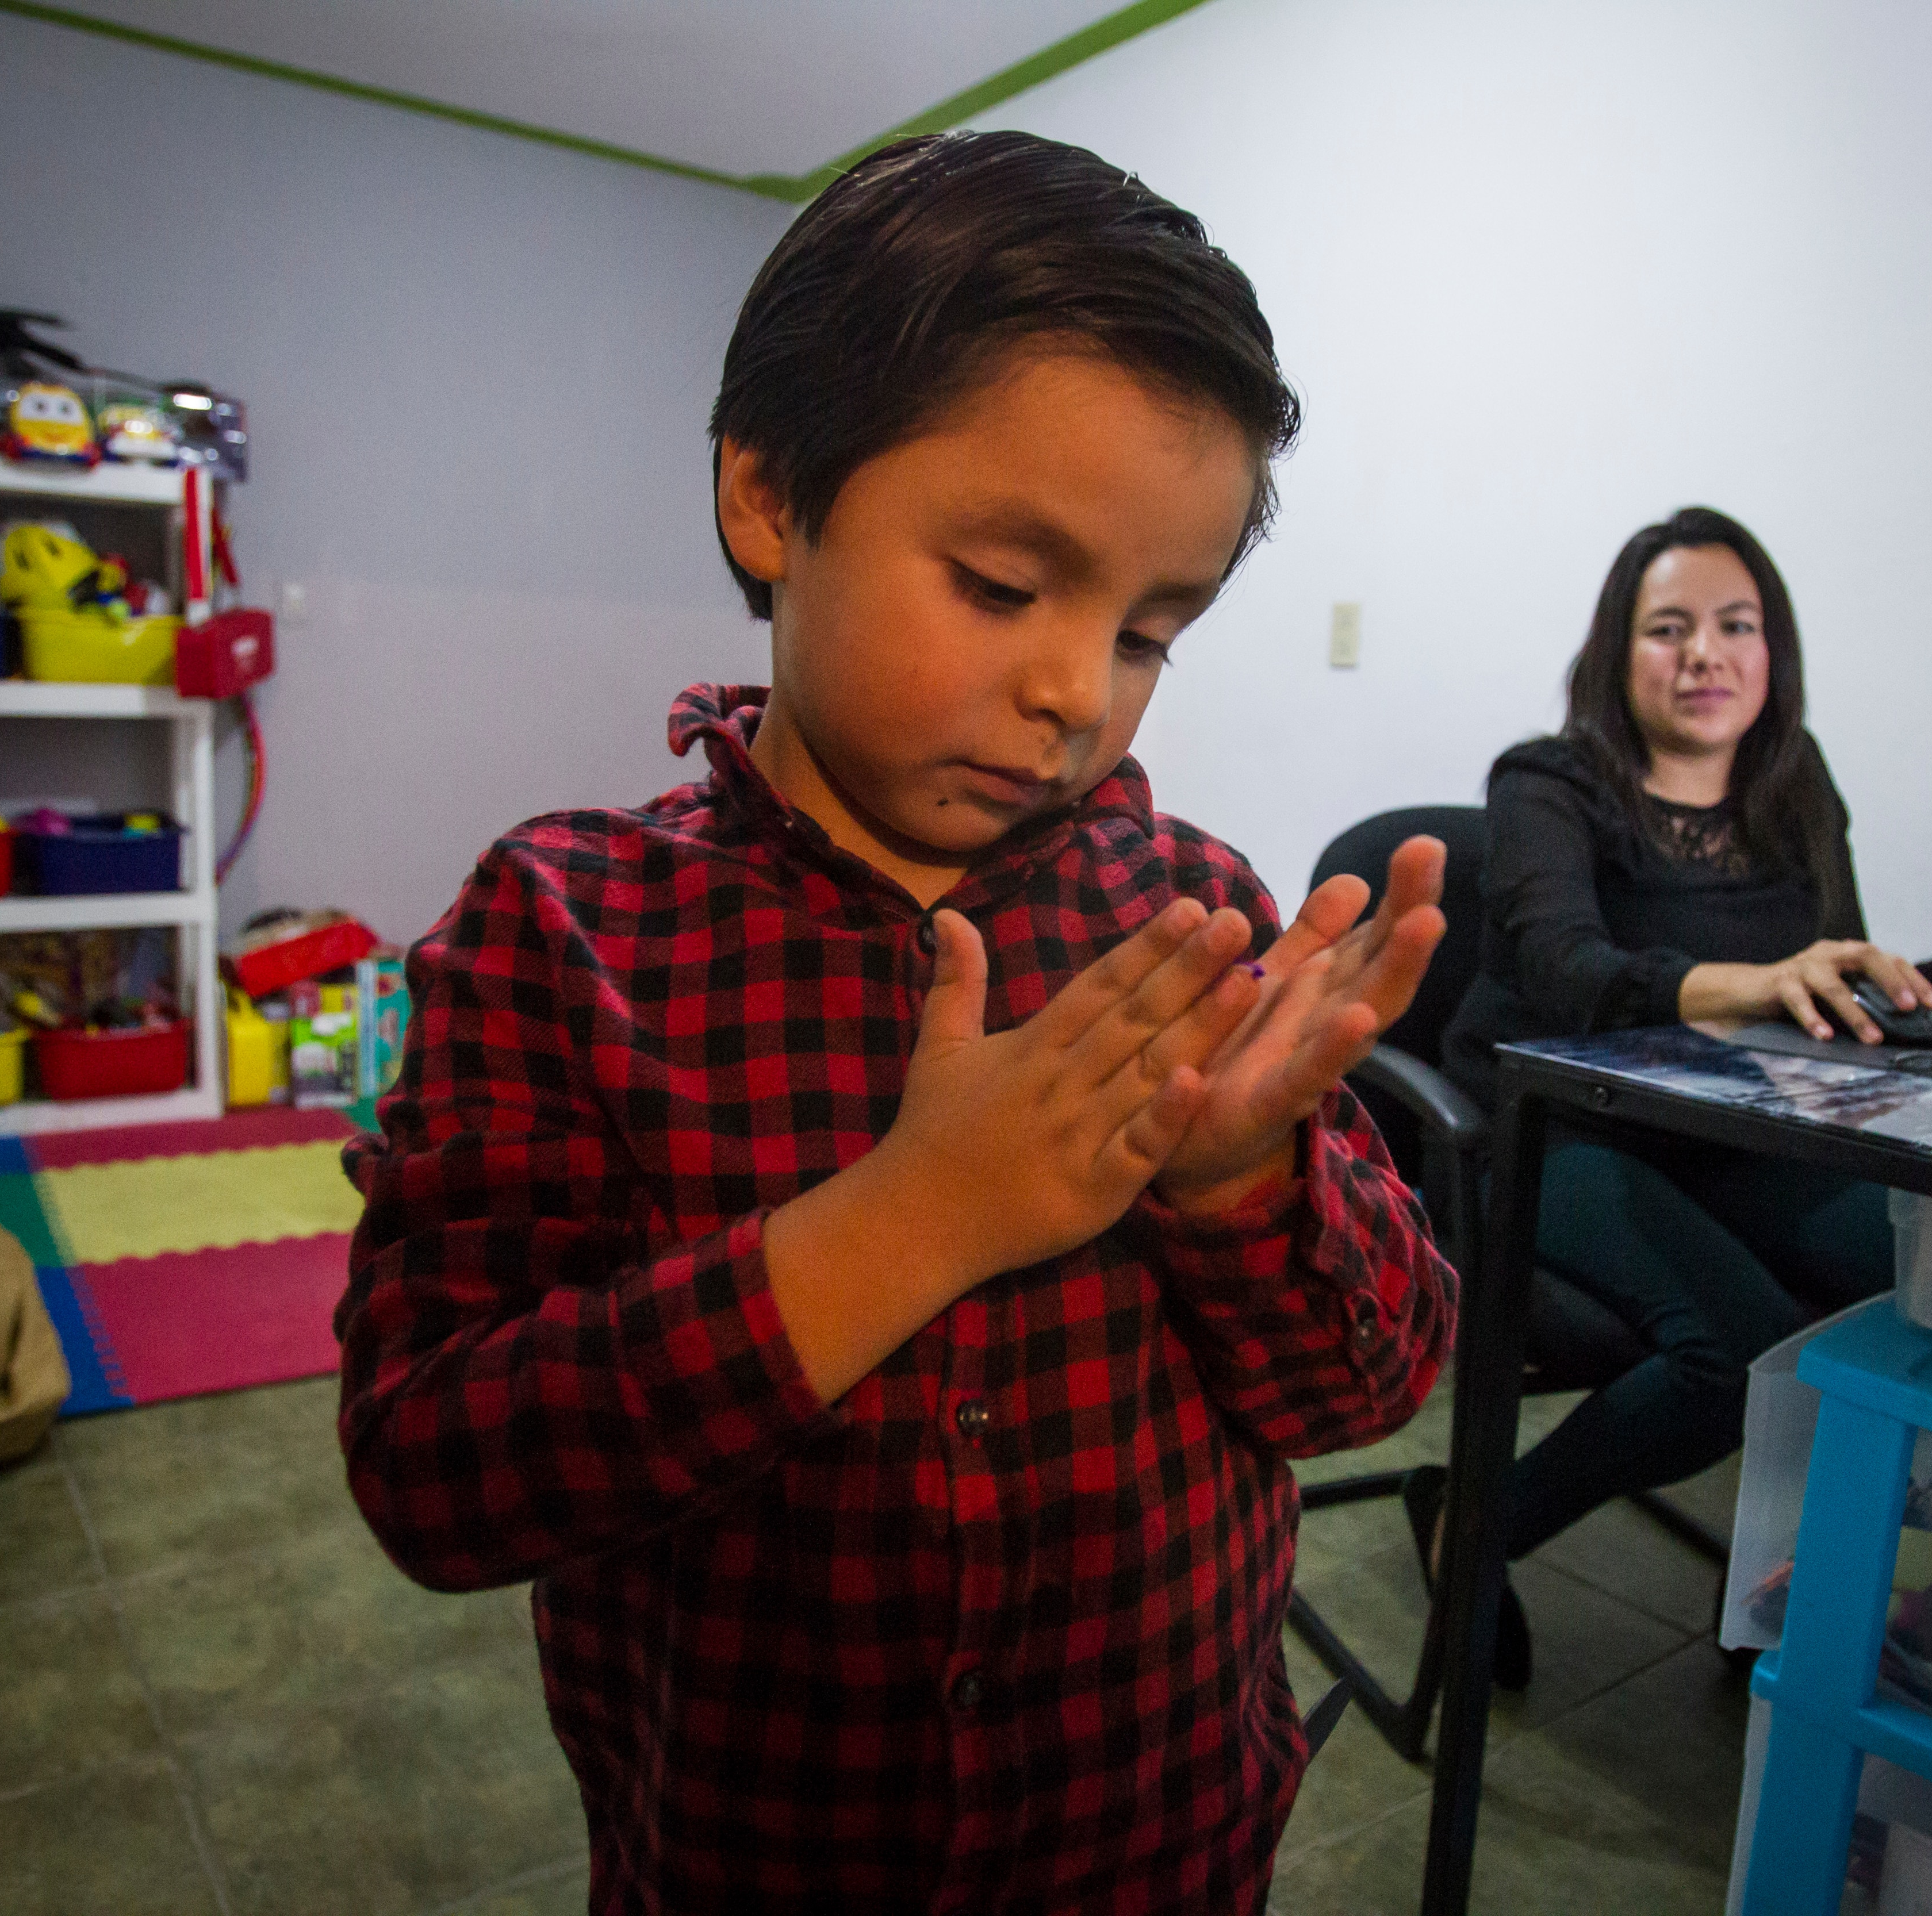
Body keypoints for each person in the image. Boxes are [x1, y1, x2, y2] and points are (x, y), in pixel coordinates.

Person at [335, 133, 1458, 1914]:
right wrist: (912, 1218)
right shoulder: (562, 930)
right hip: (754, 1858)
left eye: (1152, 629)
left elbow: (1369, 1384)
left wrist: (1242, 1177)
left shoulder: (1187, 919)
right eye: (1007, 586)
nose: (1074, 691)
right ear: (772, 498)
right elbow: (438, 1471)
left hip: (1163, 1851)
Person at [1436, 505, 1932, 1685]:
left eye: (1735, 626)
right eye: (1667, 628)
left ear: (1771, 649)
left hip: (1725, 1120)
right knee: (1732, 1351)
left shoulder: (1793, 781)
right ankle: (1474, 1524)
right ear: (1613, 651)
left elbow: (1836, 968)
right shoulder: (1547, 780)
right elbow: (1565, 971)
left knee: (1926, 1283)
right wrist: (1757, 982)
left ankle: (1787, 1582)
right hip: (1554, 1116)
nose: (1704, 654)